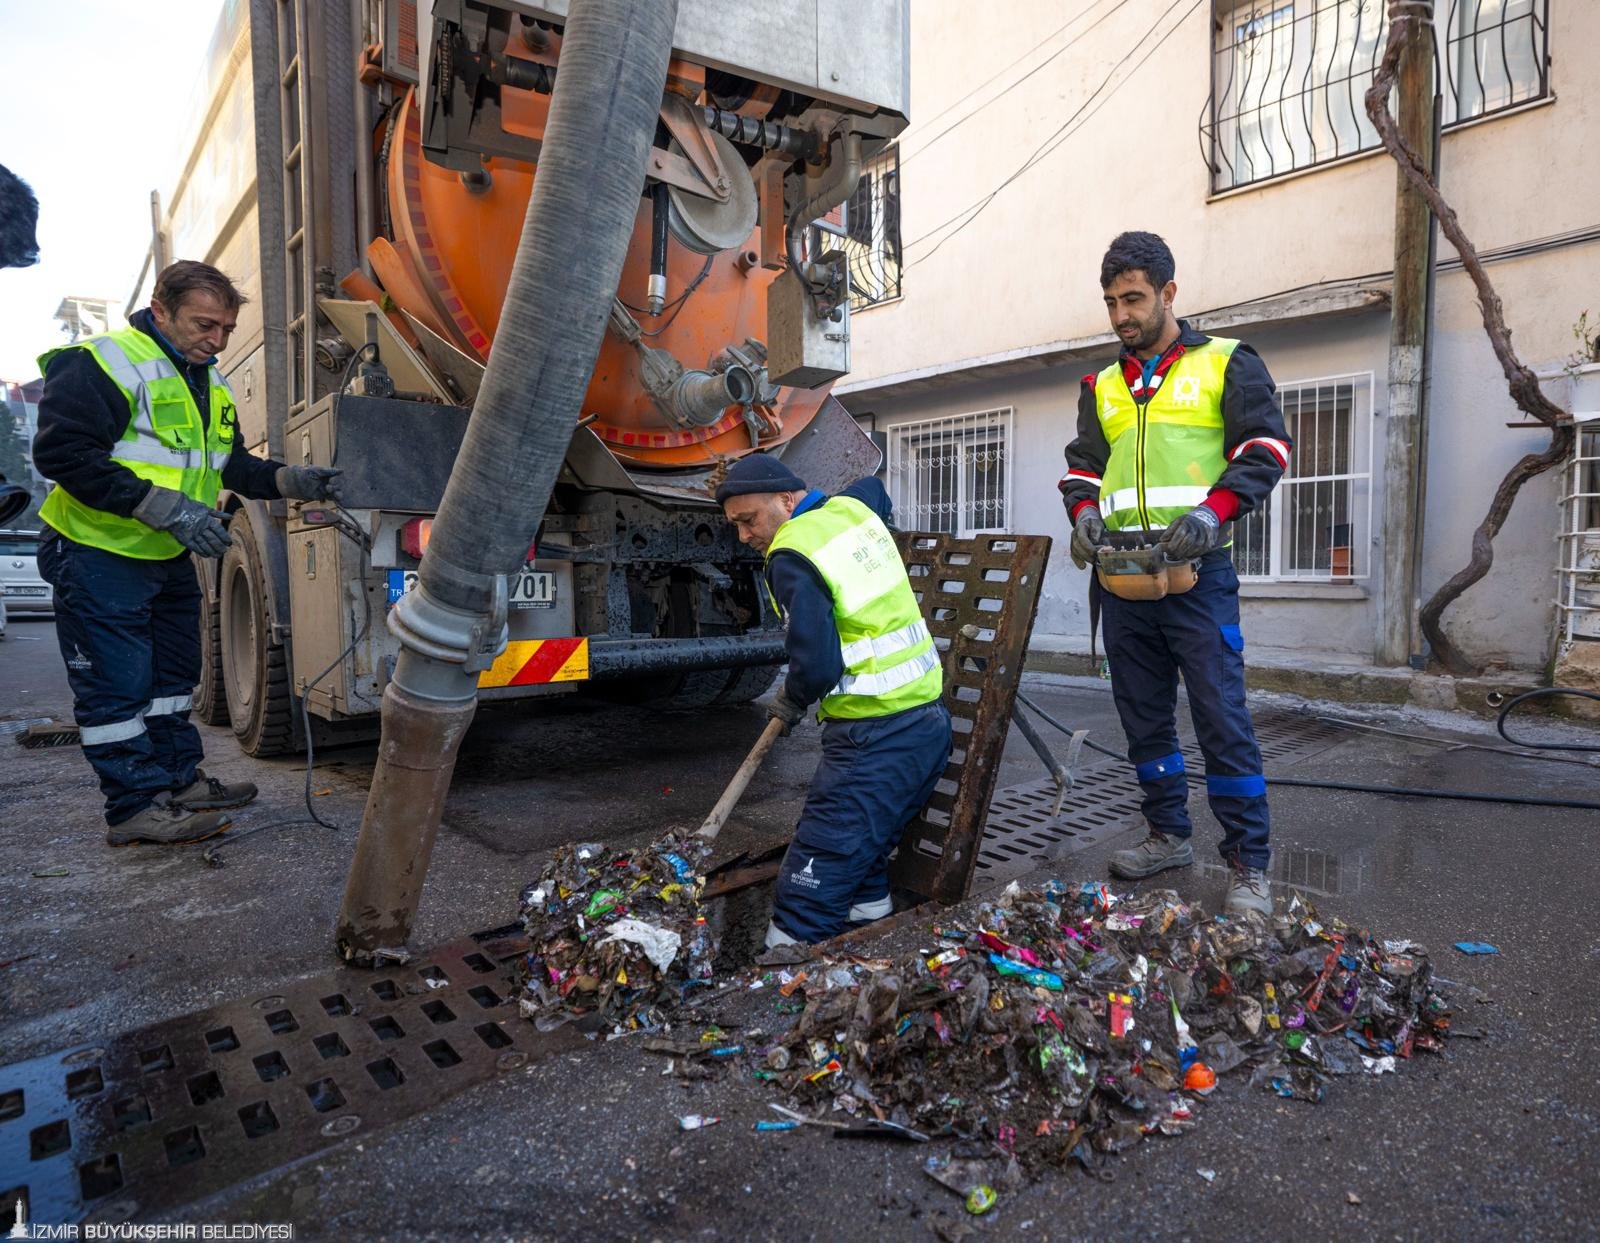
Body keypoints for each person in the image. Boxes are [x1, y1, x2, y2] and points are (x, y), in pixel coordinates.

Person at [32, 260, 343, 847]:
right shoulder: (103, 361)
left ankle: (176, 783)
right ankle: (132, 810)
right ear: (161, 310)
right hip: (97, 551)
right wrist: (166, 509)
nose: (217, 339)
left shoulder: (205, 378)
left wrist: (289, 479)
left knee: (173, 679)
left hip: (161, 555)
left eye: (225, 328)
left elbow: (227, 464)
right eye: (205, 324)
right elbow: (63, 453)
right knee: (117, 686)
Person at [1059, 232, 1292, 917]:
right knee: (1142, 716)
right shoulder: (1100, 384)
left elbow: (1265, 448)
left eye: (1133, 298)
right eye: (1110, 302)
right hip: (1122, 579)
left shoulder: (1228, 363)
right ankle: (1168, 834)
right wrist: (1081, 512)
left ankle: (1249, 863)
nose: (1121, 315)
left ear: (1168, 292)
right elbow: (1083, 465)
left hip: (1197, 573)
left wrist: (1214, 512)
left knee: (1221, 715)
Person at [716, 454, 952, 947]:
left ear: (786, 500)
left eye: (747, 520)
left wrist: (793, 697)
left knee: (817, 864)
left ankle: (779, 976)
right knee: (864, 851)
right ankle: (871, 930)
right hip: (927, 726)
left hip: (874, 737)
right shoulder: (853, 511)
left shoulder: (790, 555)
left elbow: (818, 665)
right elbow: (874, 487)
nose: (743, 536)